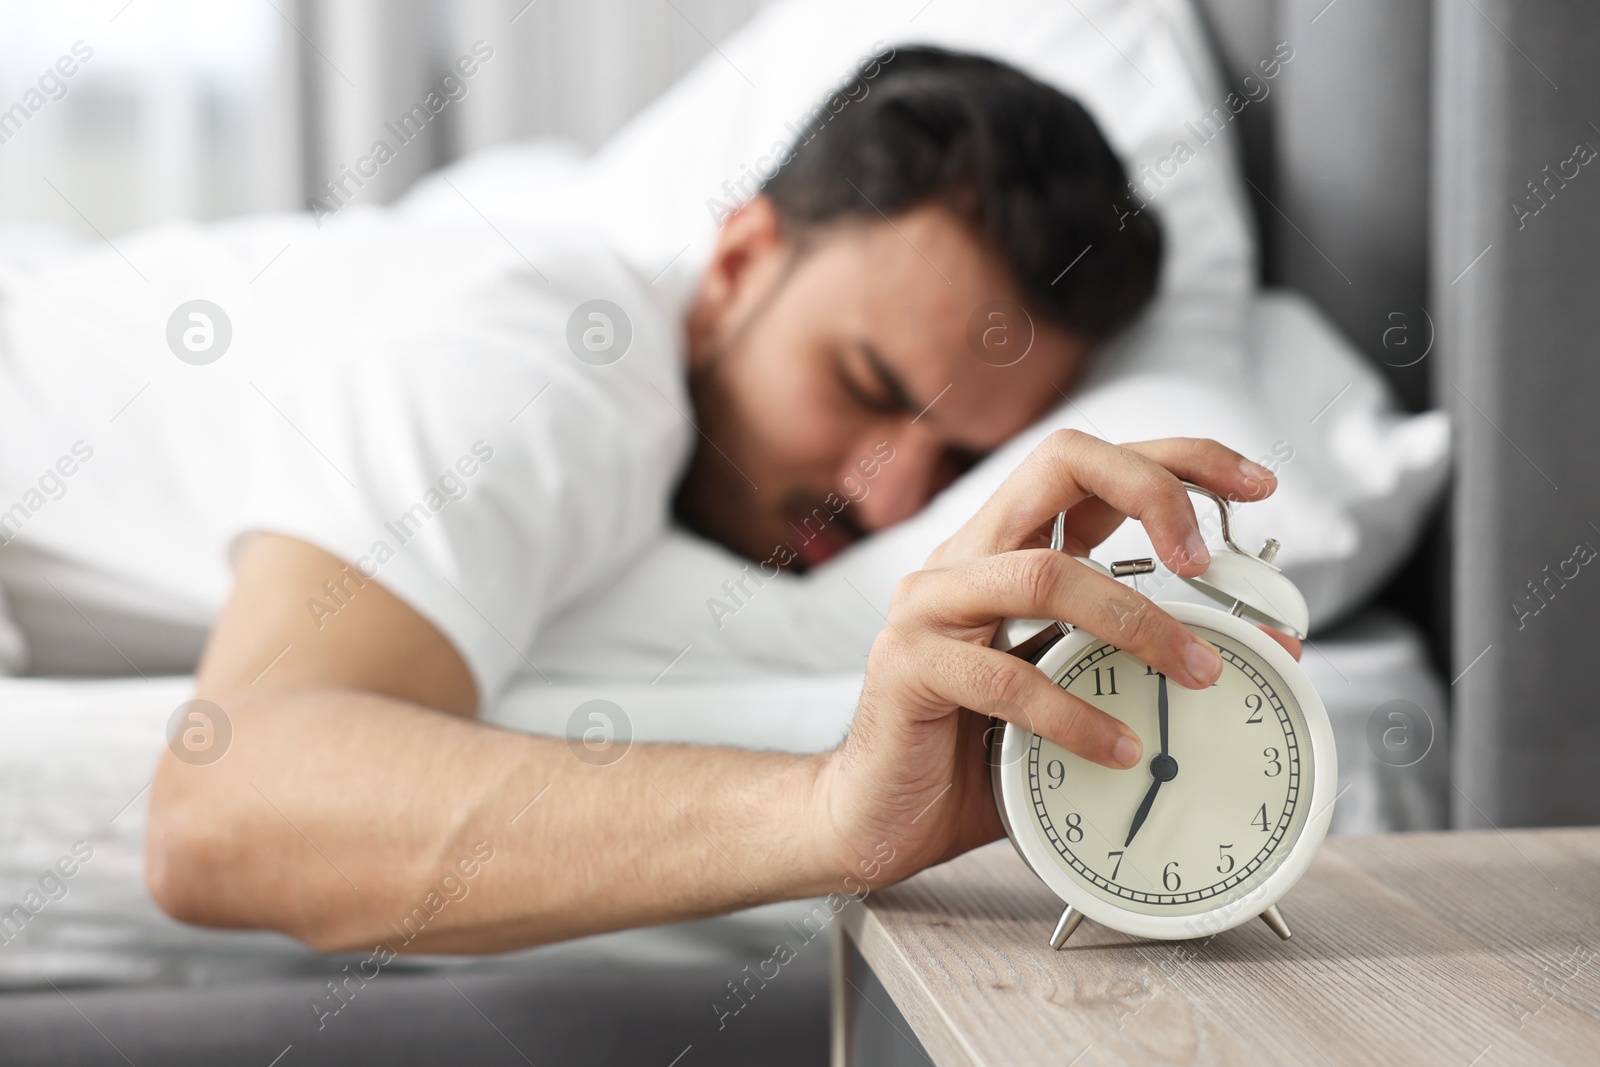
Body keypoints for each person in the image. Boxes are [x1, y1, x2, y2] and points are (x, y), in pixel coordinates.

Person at [0, 48, 1296, 952]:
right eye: (864, 382)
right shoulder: (552, 364)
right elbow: (228, 813)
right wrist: (829, 810)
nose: (887, 486)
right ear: (736, 263)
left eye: (958, 462)